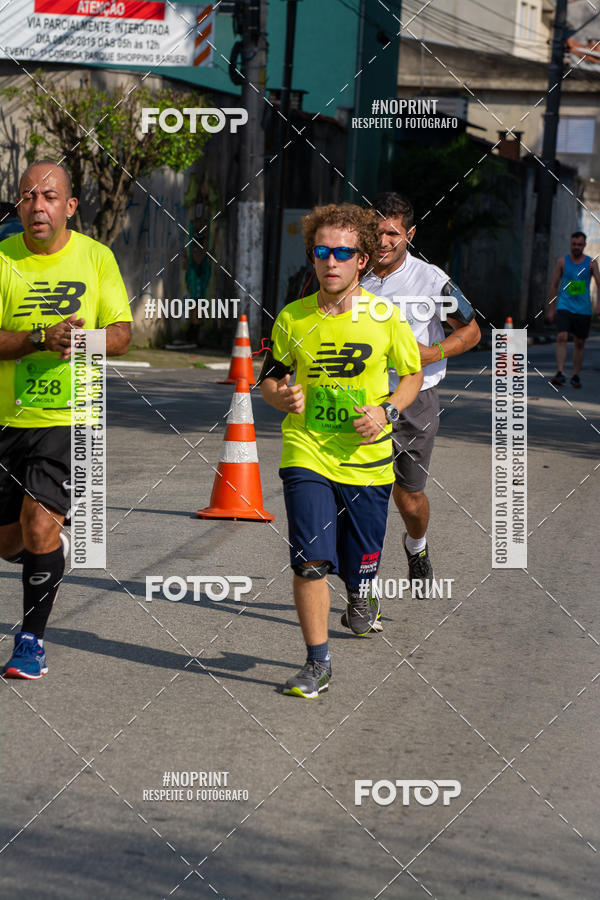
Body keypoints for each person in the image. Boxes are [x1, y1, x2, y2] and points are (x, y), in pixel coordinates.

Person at [259, 203, 423, 699]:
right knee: (310, 562)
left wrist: (388, 411)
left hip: (368, 463)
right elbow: (270, 379)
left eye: (343, 253)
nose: (331, 262)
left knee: (360, 563)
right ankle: (317, 663)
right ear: (313, 256)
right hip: (307, 449)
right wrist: (280, 397)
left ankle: (361, 590)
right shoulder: (292, 317)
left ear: (363, 260)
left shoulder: (385, 318)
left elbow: (411, 376)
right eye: (322, 251)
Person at [0, 160, 132, 679]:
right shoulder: (3, 259)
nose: (39, 206)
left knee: (37, 523)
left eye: (50, 196)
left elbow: (121, 335)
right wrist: (38, 338)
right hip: (9, 419)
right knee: (11, 541)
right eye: (29, 196)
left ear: (70, 206)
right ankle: (50, 545)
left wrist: (79, 341)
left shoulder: (96, 258)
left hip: (74, 416)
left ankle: (30, 641)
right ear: (18, 205)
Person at [361, 192, 480, 589]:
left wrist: (435, 351)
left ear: (409, 234)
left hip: (417, 399)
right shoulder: (351, 276)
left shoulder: (431, 279)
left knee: (408, 497)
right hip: (364, 398)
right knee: (364, 493)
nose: (383, 242)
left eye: (393, 233)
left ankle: (417, 545)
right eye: (377, 232)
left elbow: (472, 330)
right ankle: (363, 585)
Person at [547, 231, 600, 389]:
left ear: (584, 245)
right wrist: (551, 308)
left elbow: (599, 283)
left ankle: (575, 375)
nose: (576, 247)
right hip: (564, 305)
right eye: (574, 244)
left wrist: (599, 304)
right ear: (570, 245)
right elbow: (553, 285)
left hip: (583, 309)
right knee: (562, 337)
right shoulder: (562, 262)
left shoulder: (591, 263)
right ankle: (560, 372)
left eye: (579, 244)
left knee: (579, 343)